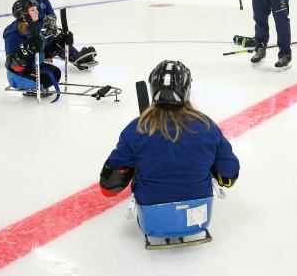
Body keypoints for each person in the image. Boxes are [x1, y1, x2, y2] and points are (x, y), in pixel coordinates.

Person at [99, 60, 240, 206]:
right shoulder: (207, 127)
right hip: (199, 213)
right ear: (187, 90)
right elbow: (228, 177)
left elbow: (108, 189)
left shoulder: (136, 129)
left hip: (151, 215)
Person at [20, 0, 97, 70]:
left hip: (45, 30)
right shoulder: (23, 3)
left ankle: (74, 54)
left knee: (62, 35)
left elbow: (51, 14)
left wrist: (50, 23)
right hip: (34, 33)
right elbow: (24, 21)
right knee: (53, 39)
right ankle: (76, 57)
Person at [3, 0, 68, 92]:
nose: (36, 12)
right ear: (22, 14)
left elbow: (45, 54)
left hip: (34, 66)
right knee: (44, 79)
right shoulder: (13, 32)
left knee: (55, 73)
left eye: (36, 9)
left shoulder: (36, 26)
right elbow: (12, 64)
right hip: (18, 74)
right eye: (32, 10)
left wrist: (59, 43)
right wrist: (27, 50)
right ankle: (23, 83)